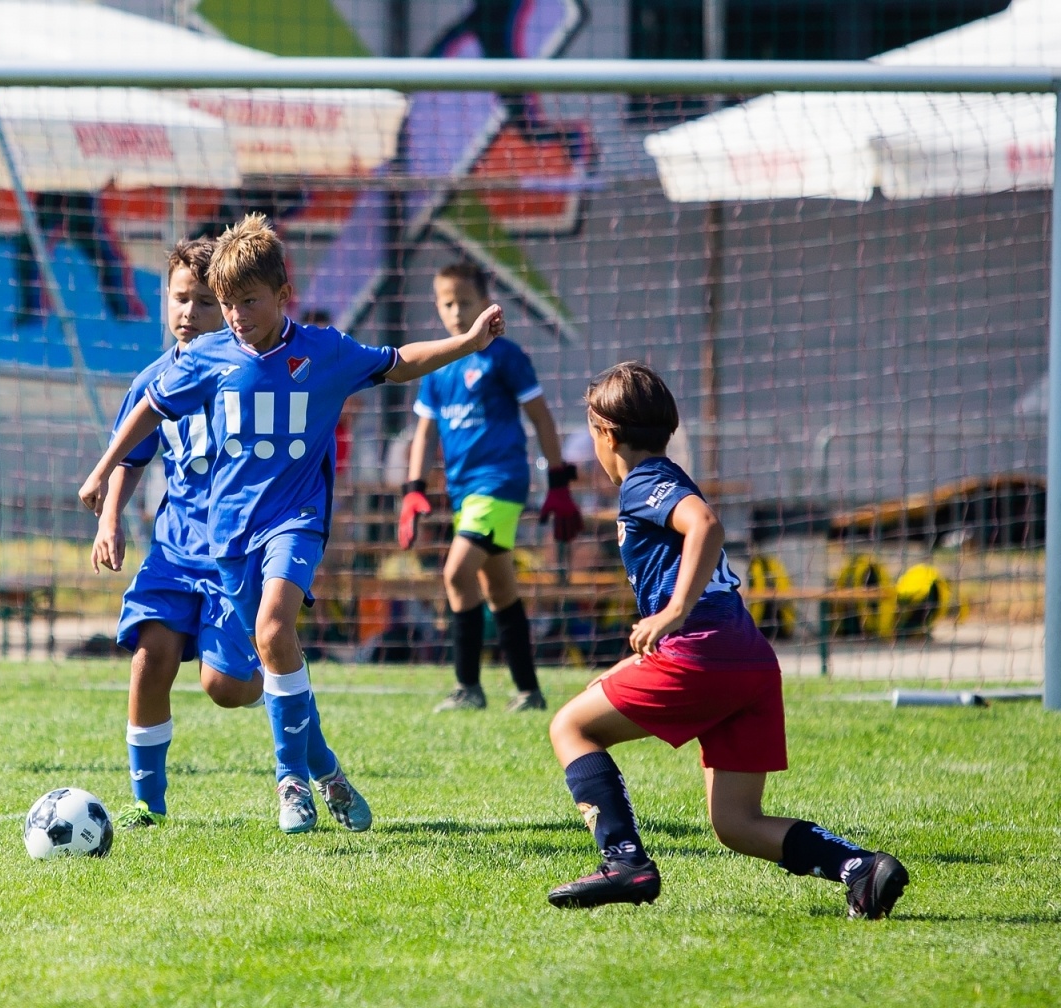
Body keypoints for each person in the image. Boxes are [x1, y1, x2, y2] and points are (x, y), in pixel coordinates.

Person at [79, 213, 506, 834]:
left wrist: (466, 343)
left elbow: (399, 359)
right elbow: (149, 407)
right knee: (227, 685)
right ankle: (323, 764)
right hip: (225, 534)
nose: (233, 316)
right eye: (222, 304)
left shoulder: (324, 352)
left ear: (283, 297)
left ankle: (291, 784)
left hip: (295, 523)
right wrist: (103, 474)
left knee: (277, 629)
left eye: (244, 302)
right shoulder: (208, 357)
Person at [543, 362, 908, 918]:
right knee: (736, 824)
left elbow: (706, 525)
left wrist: (673, 611)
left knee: (570, 726)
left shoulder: (645, 480)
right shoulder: (661, 477)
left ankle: (623, 862)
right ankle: (861, 868)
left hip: (702, 654)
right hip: (747, 660)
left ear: (605, 432)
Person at [91, 238, 263, 829]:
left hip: (237, 553)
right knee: (150, 656)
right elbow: (131, 458)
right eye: (178, 299)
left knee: (222, 686)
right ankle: (147, 801)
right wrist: (111, 517)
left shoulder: (249, 374)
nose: (188, 313)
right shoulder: (153, 379)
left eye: (203, 303)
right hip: (174, 550)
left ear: (227, 308)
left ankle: (272, 679)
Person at [400, 260, 582, 714]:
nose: (457, 311)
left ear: (486, 303)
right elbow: (423, 432)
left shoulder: (506, 357)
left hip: (501, 483)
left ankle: (468, 687)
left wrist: (558, 482)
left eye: (466, 301)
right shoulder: (438, 367)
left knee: (456, 573)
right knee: (499, 588)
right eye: (448, 303)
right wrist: (413, 488)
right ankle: (529, 691)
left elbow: (541, 417)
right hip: (464, 491)